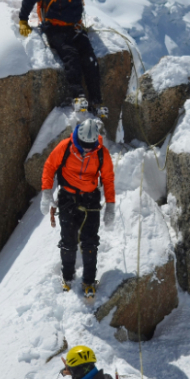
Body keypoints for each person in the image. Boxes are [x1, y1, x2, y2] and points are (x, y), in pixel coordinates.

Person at [18, 0, 106, 118]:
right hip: (54, 28)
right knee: (70, 56)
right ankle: (78, 97)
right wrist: (23, 20)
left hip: (74, 28)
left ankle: (96, 101)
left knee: (89, 58)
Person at [40, 119, 115, 296]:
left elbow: (108, 179)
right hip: (68, 197)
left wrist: (110, 205)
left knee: (90, 242)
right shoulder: (65, 147)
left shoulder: (101, 154)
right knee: (68, 240)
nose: (87, 148)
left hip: (90, 199)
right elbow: (49, 167)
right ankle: (68, 277)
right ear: (77, 139)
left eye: (90, 145)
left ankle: (89, 281)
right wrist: (46, 192)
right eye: (84, 144)